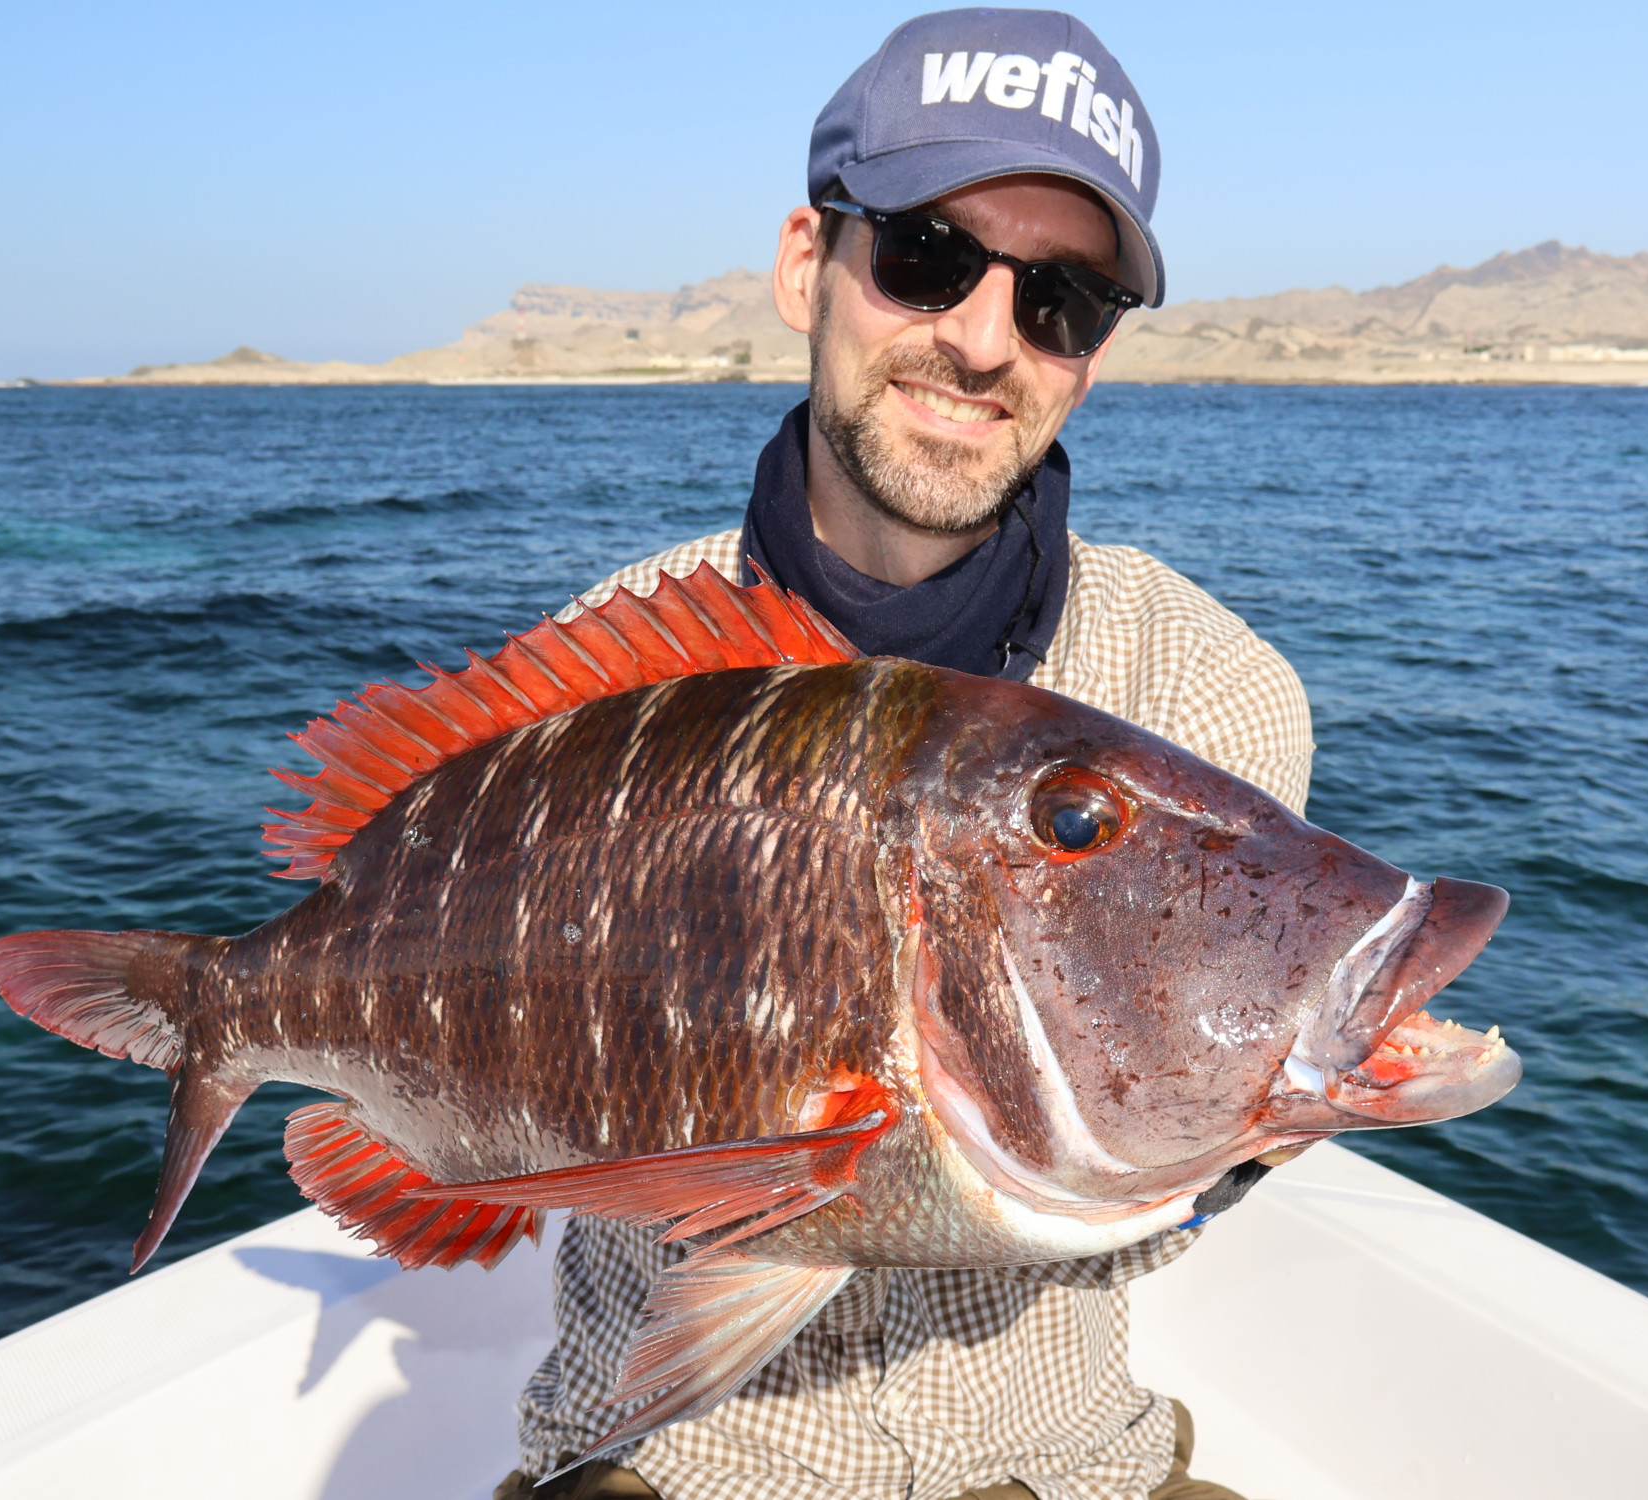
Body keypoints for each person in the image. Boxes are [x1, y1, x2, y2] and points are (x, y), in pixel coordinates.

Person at [499, 11, 1313, 1500]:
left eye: (1059, 298)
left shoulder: (1211, 695)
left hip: (1076, 1469)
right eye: (929, 256)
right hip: (662, 1465)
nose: (985, 340)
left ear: (1095, 353)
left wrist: (1275, 1099)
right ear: (810, 262)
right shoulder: (596, 670)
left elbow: (1166, 1150)